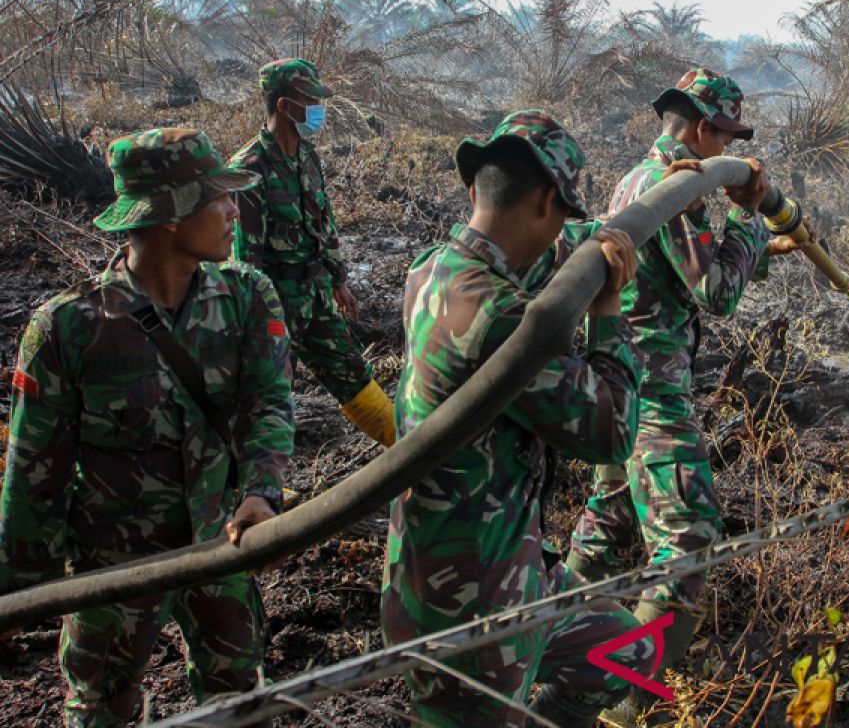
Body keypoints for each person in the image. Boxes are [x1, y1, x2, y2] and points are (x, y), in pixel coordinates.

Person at [0, 128, 294, 726]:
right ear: (170, 215)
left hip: (220, 541)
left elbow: (269, 401)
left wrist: (262, 492)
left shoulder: (247, 298)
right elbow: (35, 475)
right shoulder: (68, 328)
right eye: (219, 198)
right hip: (113, 569)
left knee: (241, 699)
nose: (234, 211)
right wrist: (17, 596)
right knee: (101, 708)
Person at [380, 110, 655, 727]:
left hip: (509, 570)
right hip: (468, 605)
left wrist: (653, 191)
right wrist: (608, 311)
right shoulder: (499, 318)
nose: (562, 231)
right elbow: (610, 432)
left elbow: (539, 261)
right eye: (562, 213)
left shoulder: (435, 269)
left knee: (623, 650)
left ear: (478, 188)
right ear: (544, 202)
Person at [566, 68, 806, 720]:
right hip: (650, 392)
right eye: (728, 136)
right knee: (690, 538)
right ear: (703, 128)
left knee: (608, 524)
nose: (729, 150)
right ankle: (619, 703)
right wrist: (749, 218)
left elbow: (682, 270)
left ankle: (541, 653)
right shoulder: (674, 188)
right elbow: (717, 293)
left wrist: (756, 240)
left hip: (623, 382)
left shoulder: (640, 180)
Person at [228, 57, 395, 447]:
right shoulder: (249, 168)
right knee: (268, 396)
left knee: (351, 372)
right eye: (311, 100)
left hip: (316, 297)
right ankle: (257, 492)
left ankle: (408, 452)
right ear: (284, 106)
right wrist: (255, 325)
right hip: (274, 306)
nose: (319, 110)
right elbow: (244, 262)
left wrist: (338, 280)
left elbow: (324, 223)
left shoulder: (307, 157)